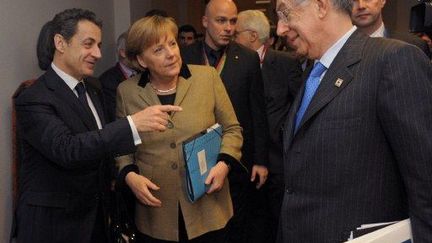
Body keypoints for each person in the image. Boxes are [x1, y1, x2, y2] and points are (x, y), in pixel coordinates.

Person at [13, 8, 181, 243]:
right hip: (55, 226)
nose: (98, 53)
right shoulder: (34, 97)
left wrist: (126, 175)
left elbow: (102, 147)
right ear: (60, 43)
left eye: (99, 45)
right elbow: (68, 149)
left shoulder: (93, 88)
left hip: (96, 219)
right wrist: (132, 124)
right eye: (88, 44)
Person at [276, 0, 432, 242]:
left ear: (320, 6)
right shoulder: (312, 73)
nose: (280, 29)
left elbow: (426, 184)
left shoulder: (392, 60)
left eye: (285, 14)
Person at [115, 15, 243, 242]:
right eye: (158, 50)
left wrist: (224, 164)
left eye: (172, 44)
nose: (171, 54)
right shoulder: (127, 92)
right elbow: (122, 147)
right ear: (142, 61)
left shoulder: (207, 78)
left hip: (208, 202)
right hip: (157, 207)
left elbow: (232, 129)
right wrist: (129, 176)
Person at [181, 1, 269, 242]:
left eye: (233, 21)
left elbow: (257, 112)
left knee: (237, 227)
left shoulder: (248, 58)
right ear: (205, 22)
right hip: (198, 156)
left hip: (238, 160)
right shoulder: (184, 57)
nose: (229, 27)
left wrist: (261, 160)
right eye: (221, 21)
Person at [234, 9, 302, 243]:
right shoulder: (234, 65)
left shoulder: (285, 62)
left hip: (278, 159)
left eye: (236, 33)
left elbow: (299, 106)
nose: (233, 38)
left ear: (252, 36)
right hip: (246, 157)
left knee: (277, 219)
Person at [351, 0, 431, 58]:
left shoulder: (414, 45)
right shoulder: (340, 46)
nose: (361, 6)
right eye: (353, 0)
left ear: (382, 1)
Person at [99, 32, 137, 123]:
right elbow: (113, 117)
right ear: (123, 53)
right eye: (135, 50)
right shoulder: (107, 81)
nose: (140, 54)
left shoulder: (145, 74)